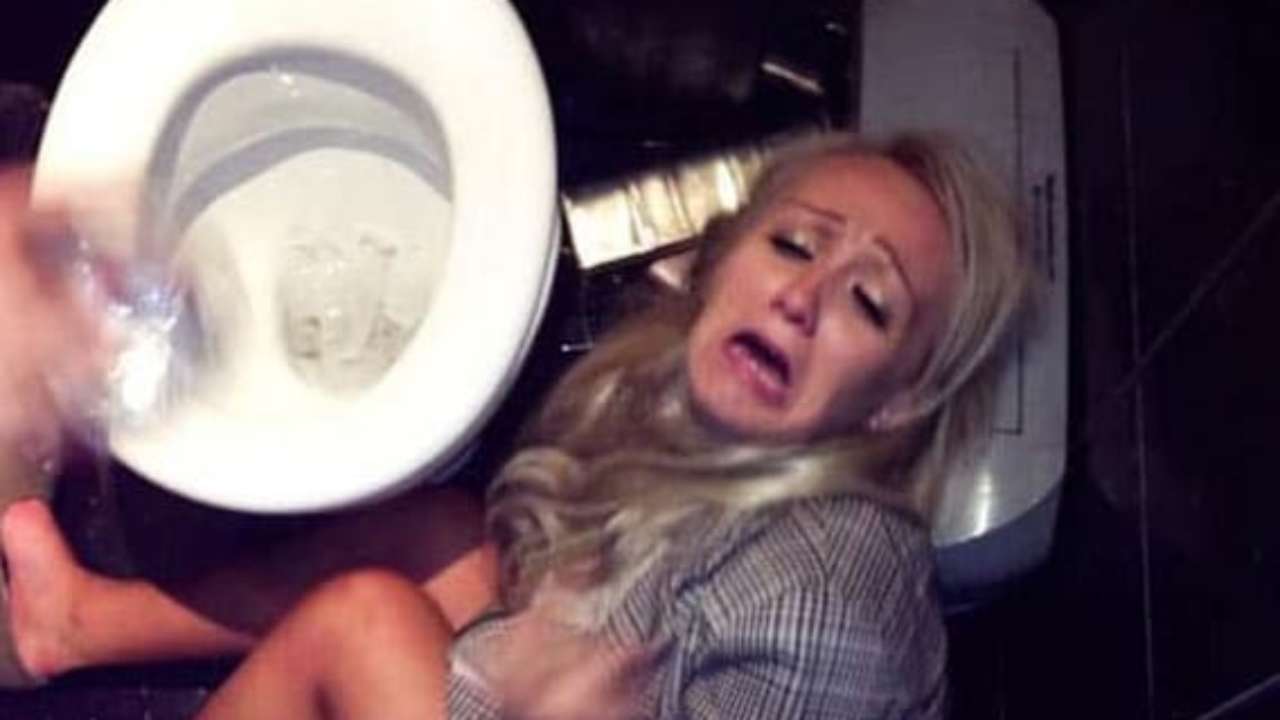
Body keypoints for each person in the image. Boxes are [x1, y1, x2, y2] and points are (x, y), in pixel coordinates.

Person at [0, 130, 1034, 718]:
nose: (802, 299)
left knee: (367, 623)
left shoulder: (829, 605)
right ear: (723, 257)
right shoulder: (717, 421)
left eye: (869, 304)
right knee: (448, 539)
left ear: (895, 403)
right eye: (796, 245)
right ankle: (78, 622)